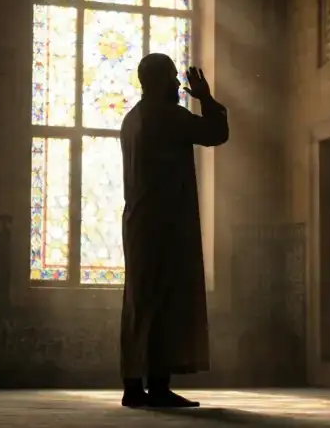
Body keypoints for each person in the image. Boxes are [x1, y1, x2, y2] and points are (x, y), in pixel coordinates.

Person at [118, 53, 229, 408]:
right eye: (172, 78)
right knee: (163, 303)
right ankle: (159, 387)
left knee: (139, 302)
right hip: (165, 222)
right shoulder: (166, 115)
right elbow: (216, 133)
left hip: (138, 222)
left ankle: (134, 386)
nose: (178, 85)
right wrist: (206, 98)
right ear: (157, 81)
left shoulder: (132, 118)